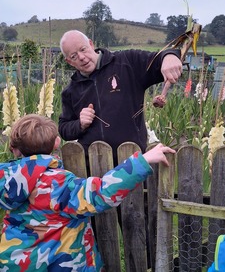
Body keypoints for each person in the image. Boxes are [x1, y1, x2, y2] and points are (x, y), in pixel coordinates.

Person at [0, 114, 175, 271]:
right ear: (57, 143)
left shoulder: (5, 179)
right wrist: (143, 160)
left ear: (14, 149)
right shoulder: (58, 184)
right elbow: (101, 192)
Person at [58, 30, 182, 166]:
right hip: (93, 168)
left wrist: (170, 56)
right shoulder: (71, 91)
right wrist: (79, 124)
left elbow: (159, 59)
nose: (81, 57)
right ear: (69, 61)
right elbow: (64, 129)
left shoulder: (127, 62)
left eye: (83, 49)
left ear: (91, 44)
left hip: (132, 163)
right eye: (74, 56)